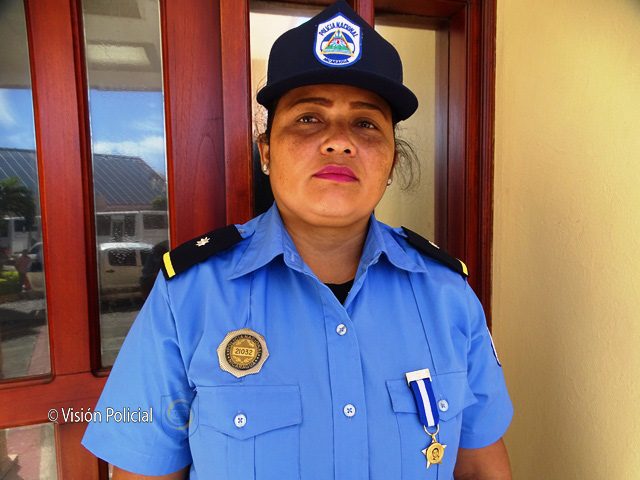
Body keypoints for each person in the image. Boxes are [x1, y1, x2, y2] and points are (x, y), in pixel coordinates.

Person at [82, 1, 513, 478]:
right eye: (309, 118)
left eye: (366, 123)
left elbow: (481, 467)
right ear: (266, 152)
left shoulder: (448, 295)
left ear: (391, 161)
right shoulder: (188, 295)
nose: (338, 141)